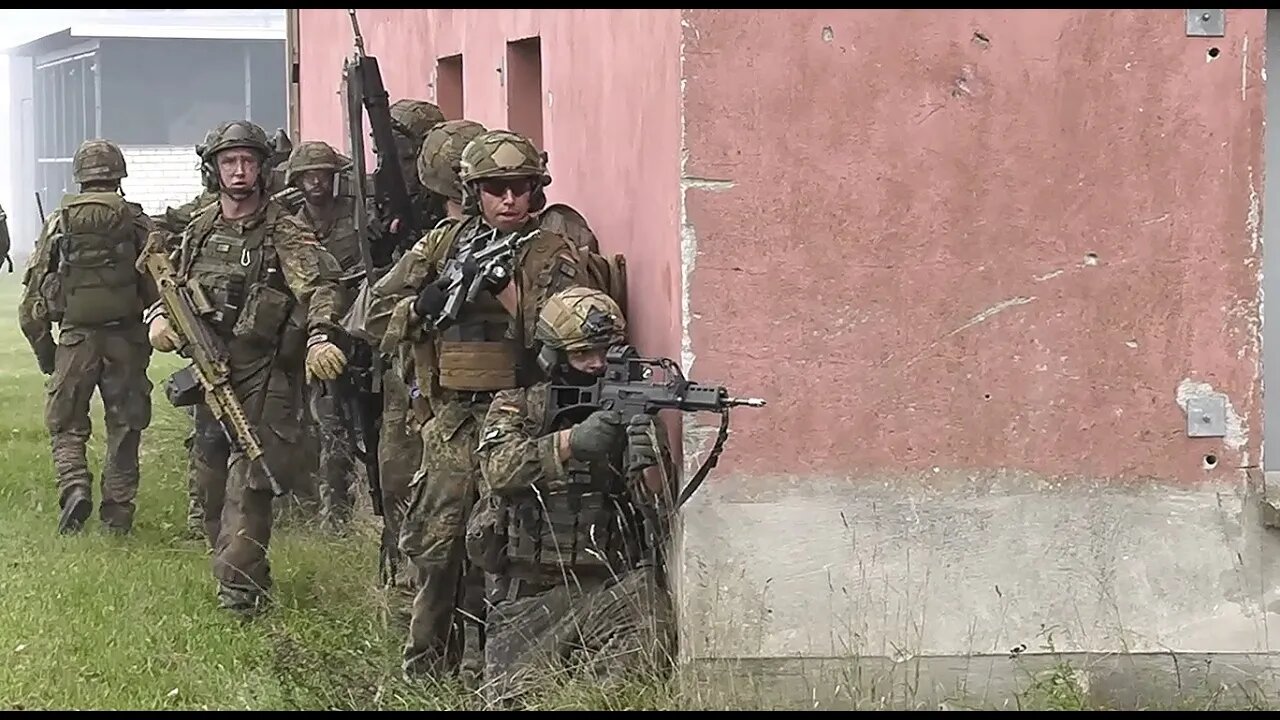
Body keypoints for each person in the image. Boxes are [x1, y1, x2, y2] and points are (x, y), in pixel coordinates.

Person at [358, 129, 601, 681]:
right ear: (474, 192)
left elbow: (570, 345)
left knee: (500, 548)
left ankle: (492, 669)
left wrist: (508, 297)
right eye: (495, 188)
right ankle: (425, 669)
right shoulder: (446, 243)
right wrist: (423, 307)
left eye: (519, 187)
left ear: (535, 190)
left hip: (519, 418)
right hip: (452, 419)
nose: (508, 200)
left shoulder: (552, 256)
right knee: (436, 547)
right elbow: (371, 316)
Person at [144, 120, 348, 616]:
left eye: (248, 162)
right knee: (212, 488)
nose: (239, 171)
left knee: (252, 482)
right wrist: (159, 319)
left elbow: (322, 285)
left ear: (261, 170)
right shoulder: (201, 228)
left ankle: (238, 598)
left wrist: (321, 335)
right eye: (229, 162)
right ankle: (245, 575)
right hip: (210, 373)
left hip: (264, 377)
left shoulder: (283, 229)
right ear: (214, 169)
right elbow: (171, 282)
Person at [471, 286, 676, 704]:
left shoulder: (631, 411)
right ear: (553, 357)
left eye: (607, 352)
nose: (597, 365)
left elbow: (658, 509)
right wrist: (571, 442)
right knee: (511, 699)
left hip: (605, 588)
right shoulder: (518, 405)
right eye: (583, 354)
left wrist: (648, 454)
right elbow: (499, 469)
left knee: (647, 621)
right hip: (530, 595)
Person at [17, 139, 158, 535]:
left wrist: (49, 358)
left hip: (75, 340)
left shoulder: (58, 223)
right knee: (126, 426)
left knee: (66, 423)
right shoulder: (134, 220)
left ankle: (74, 484)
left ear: (80, 178)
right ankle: (117, 514)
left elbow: (31, 306)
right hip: (126, 339)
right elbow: (159, 284)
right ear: (118, 175)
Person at [287, 140, 363, 530]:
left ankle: (336, 513)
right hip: (304, 333)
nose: (316, 182)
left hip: (353, 329)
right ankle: (302, 500)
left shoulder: (359, 217)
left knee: (339, 423)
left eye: (323, 175)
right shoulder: (289, 225)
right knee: (303, 423)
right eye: (308, 176)